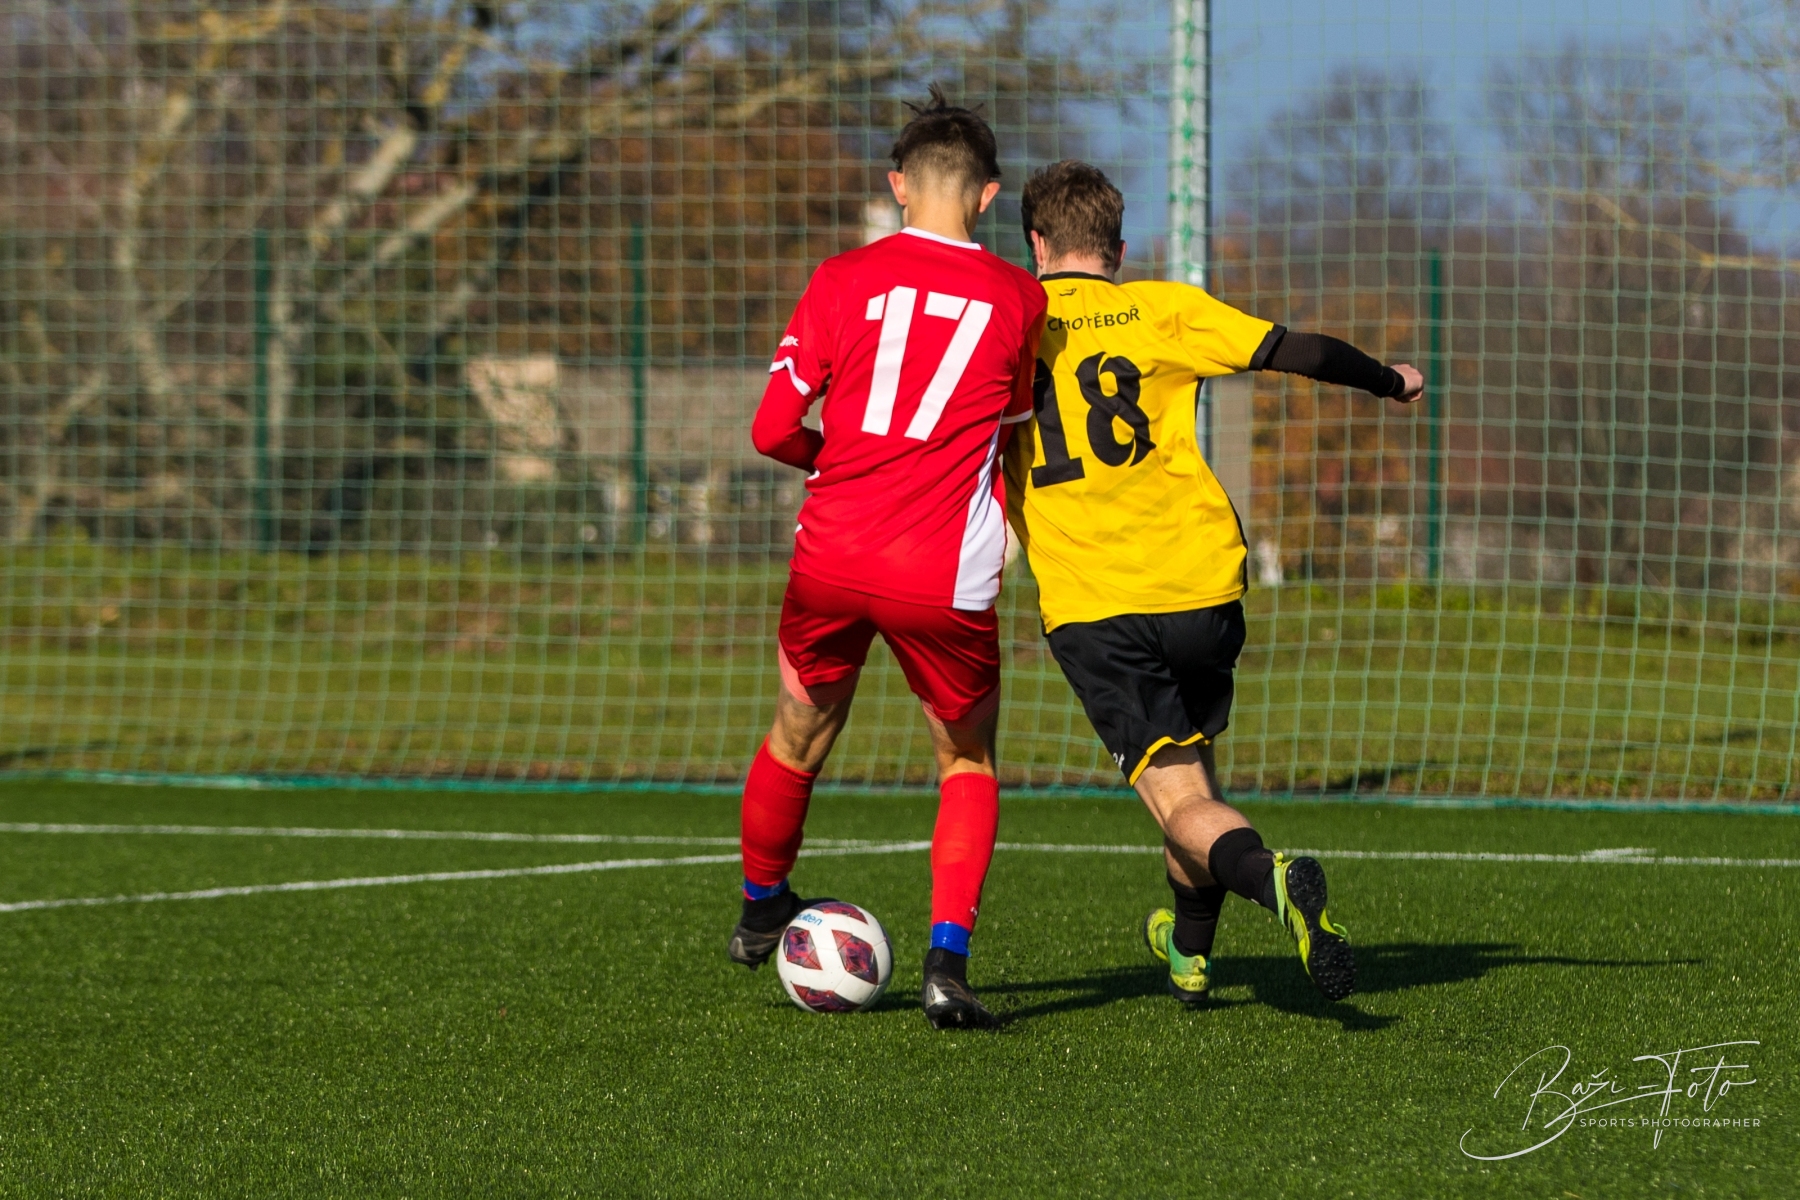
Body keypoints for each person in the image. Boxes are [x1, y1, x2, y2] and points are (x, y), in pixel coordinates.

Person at [1005, 160, 1424, 1004]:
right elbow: (1297, 351)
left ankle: (1273, 879)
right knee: (1195, 785)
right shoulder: (1163, 308)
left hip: (1098, 607)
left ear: (1036, 245)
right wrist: (1389, 379)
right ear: (1119, 248)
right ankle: (1189, 956)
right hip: (1203, 589)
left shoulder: (1008, 327)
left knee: (1178, 800)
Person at [728, 88, 1047, 1030]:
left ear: (898, 185)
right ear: (988, 196)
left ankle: (759, 908)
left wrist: (835, 460)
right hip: (942, 572)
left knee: (797, 734)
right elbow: (1014, 432)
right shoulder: (1021, 298)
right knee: (966, 759)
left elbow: (771, 430)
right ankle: (947, 964)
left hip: (832, 553)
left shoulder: (840, 278)